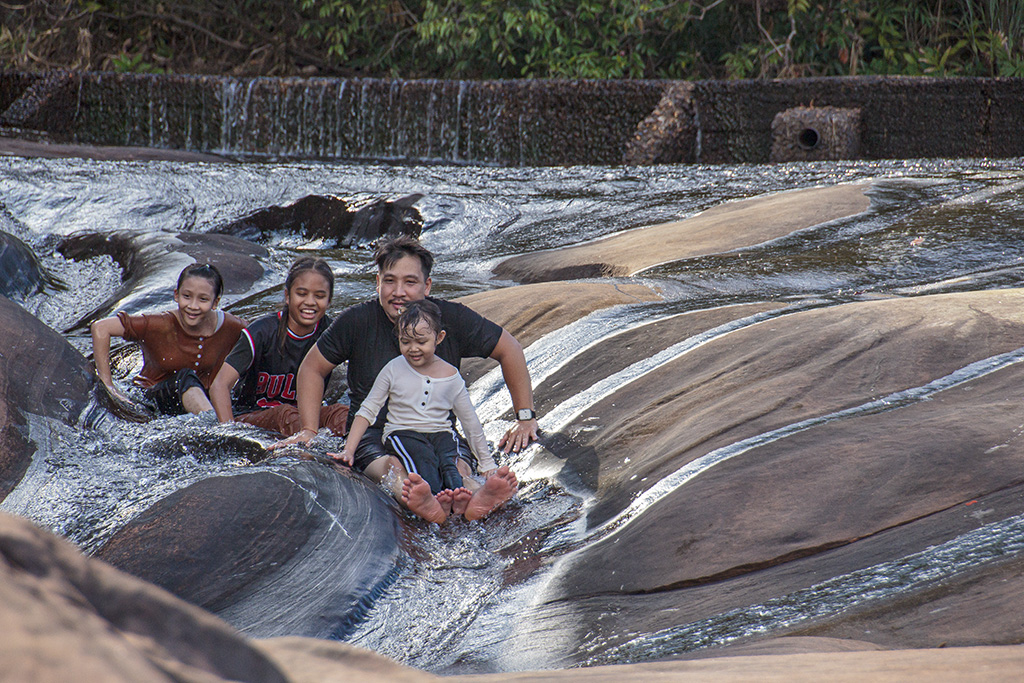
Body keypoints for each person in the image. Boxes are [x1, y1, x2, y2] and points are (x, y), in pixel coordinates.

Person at [273, 235, 536, 522]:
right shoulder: (357, 321)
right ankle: (417, 497)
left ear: (427, 286)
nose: (398, 292)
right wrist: (310, 430)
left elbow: (509, 348)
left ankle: (475, 493)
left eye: (410, 282)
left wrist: (525, 418)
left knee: (457, 463)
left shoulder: (448, 318)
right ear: (377, 283)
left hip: (437, 430)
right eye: (389, 281)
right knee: (393, 468)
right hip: (375, 434)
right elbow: (312, 367)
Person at [337, 300, 494, 523]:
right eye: (405, 341)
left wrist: (487, 463)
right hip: (402, 432)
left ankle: (465, 499)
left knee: (450, 464)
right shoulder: (393, 368)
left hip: (441, 433)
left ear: (439, 338)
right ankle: (431, 500)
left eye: (421, 341)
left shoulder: (451, 376)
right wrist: (349, 450)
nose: (413, 348)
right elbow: (368, 410)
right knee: (422, 461)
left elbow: (470, 422)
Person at [209, 256, 348, 436]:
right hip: (252, 417)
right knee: (285, 413)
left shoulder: (333, 333)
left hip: (306, 418)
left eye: (320, 296)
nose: (310, 302)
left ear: (329, 301)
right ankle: (306, 453)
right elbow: (219, 385)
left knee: (342, 413)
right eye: (302, 293)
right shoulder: (260, 332)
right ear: (287, 296)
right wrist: (229, 433)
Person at [91, 263, 246, 415]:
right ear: (176, 295)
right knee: (185, 377)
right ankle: (215, 424)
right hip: (154, 399)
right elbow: (101, 327)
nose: (193, 306)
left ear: (215, 302)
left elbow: (260, 340)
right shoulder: (159, 324)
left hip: (205, 400)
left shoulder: (232, 326)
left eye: (203, 299)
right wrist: (108, 384)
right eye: (187, 296)